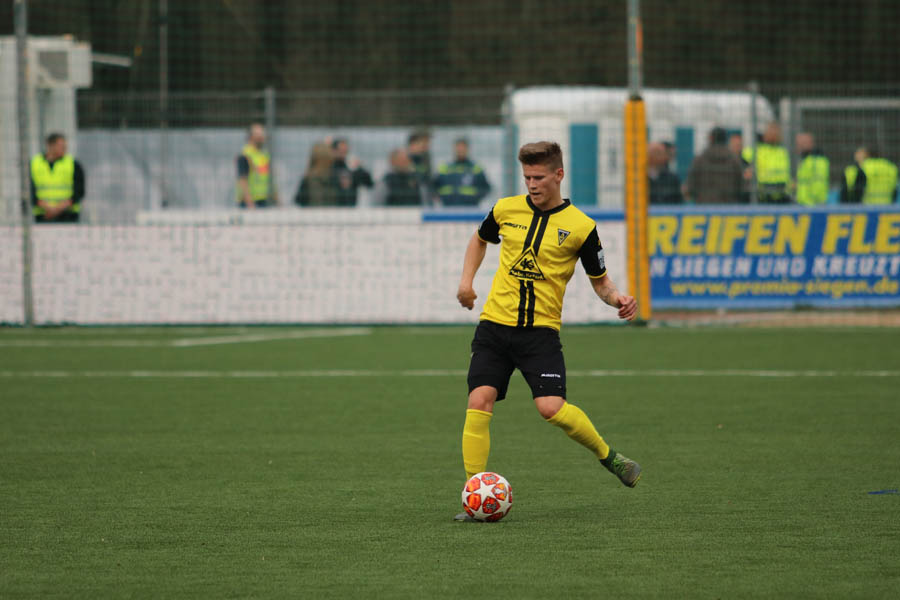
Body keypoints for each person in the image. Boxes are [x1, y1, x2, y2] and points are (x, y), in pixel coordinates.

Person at [453, 141, 641, 522]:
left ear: (559, 175)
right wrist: (466, 283)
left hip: (540, 333)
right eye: (527, 177)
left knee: (550, 408)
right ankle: (475, 496)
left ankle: (610, 458)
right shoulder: (505, 209)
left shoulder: (582, 228)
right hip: (494, 326)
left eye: (538, 177)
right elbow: (479, 239)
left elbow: (601, 282)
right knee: (479, 400)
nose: (532, 184)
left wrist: (617, 298)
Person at [31, 133, 85, 223]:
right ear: (50, 146)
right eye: (61, 146)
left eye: (65, 146)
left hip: (68, 215)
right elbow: (29, 191)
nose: (64, 148)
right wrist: (47, 208)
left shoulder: (73, 164)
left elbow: (79, 191)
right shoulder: (34, 164)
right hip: (43, 215)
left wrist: (57, 209)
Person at [684, 127, 744, 204]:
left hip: (704, 206)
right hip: (728, 206)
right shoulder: (734, 161)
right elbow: (741, 187)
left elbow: (690, 187)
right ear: (725, 139)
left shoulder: (699, 160)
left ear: (711, 138)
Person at [741, 122, 791, 204]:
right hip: (763, 194)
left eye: (776, 132)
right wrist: (747, 170)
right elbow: (743, 160)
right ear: (765, 134)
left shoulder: (783, 152)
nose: (774, 134)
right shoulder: (757, 150)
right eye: (771, 132)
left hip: (782, 193)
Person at [433, 138, 491, 207]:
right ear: (454, 149)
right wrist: (440, 197)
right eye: (458, 148)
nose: (460, 150)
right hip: (448, 208)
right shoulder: (444, 168)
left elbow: (486, 188)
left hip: (470, 208)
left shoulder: (476, 169)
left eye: (463, 148)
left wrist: (475, 198)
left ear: (467, 149)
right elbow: (433, 187)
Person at [236, 123, 277, 209]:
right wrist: (250, 204)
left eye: (262, 133)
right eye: (258, 134)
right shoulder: (245, 155)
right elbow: (243, 180)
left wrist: (277, 201)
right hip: (249, 204)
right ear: (251, 137)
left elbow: (270, 180)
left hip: (263, 200)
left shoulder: (264, 155)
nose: (262, 136)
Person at [294, 142, 340, 206]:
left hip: (314, 211)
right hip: (332, 211)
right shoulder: (334, 177)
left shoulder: (308, 179)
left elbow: (299, 200)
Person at [331, 137, 373, 206]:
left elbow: (369, 183)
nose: (343, 153)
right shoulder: (330, 168)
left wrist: (359, 168)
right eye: (341, 151)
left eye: (345, 151)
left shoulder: (352, 168)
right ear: (334, 151)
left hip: (350, 206)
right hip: (333, 206)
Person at [794, 132, 830, 206]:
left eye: (801, 143)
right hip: (803, 204)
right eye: (797, 144)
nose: (798, 146)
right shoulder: (805, 160)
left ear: (810, 143)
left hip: (813, 205)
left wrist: (814, 203)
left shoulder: (816, 161)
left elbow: (818, 184)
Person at [407, 130, 433, 201]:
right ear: (412, 145)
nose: (422, 147)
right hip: (410, 199)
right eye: (420, 144)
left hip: (424, 199)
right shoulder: (405, 161)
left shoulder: (424, 160)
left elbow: (428, 180)